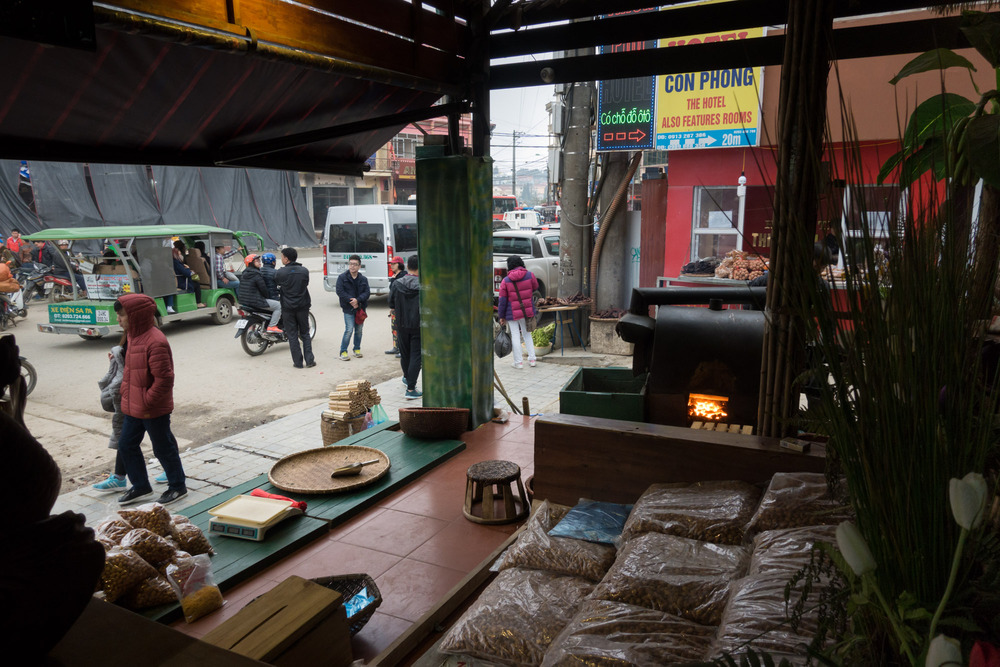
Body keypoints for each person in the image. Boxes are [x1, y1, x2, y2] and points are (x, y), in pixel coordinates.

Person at [113, 293, 187, 506]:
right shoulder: (133, 335)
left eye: (122, 315)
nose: (119, 319)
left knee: (163, 447)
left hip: (152, 408)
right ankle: (140, 486)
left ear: (136, 316)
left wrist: (147, 400)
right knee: (126, 445)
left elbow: (165, 379)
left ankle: (177, 486)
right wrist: (127, 393)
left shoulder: (156, 341)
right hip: (133, 405)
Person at [275, 247, 315, 369]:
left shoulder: (281, 272)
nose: (281, 259)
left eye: (282, 257)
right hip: (303, 306)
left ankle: (298, 363)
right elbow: (305, 283)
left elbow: (276, 282)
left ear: (286, 259)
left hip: (288, 308)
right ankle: (310, 361)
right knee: (305, 333)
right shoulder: (304, 271)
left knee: (292, 335)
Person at [497, 255, 539, 369]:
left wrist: (501, 316)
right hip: (526, 310)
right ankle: (532, 360)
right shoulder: (530, 275)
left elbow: (502, 301)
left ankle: (518, 362)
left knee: (515, 335)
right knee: (527, 334)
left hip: (512, 312)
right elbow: (535, 287)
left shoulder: (506, 280)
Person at [389, 255, 422, 399]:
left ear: (407, 267)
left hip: (401, 325)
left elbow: (391, 303)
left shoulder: (397, 284)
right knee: (416, 355)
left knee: (405, 354)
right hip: (418, 325)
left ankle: (407, 378)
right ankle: (410, 388)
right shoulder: (424, 285)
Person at [335, 253, 369, 361]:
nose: (352, 266)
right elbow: (340, 291)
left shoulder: (363, 279)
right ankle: (343, 351)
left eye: (355, 264)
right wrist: (351, 300)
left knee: (359, 330)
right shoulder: (342, 278)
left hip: (360, 309)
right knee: (349, 330)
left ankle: (357, 349)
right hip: (348, 308)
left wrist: (357, 300)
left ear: (359, 266)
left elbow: (367, 292)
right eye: (350, 264)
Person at [238, 254, 282, 332]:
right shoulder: (257, 274)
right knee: (278, 306)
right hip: (256, 302)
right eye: (257, 261)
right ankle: (272, 326)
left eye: (259, 260)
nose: (259, 262)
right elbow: (263, 290)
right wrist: (267, 297)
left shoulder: (244, 274)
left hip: (244, 302)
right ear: (251, 263)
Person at [385, 256, 405, 356]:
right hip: (394, 308)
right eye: (391, 264)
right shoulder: (395, 276)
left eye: (394, 264)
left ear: (399, 265)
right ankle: (395, 347)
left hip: (401, 308)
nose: (391, 266)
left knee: (401, 328)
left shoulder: (403, 276)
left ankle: (402, 349)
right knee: (394, 328)